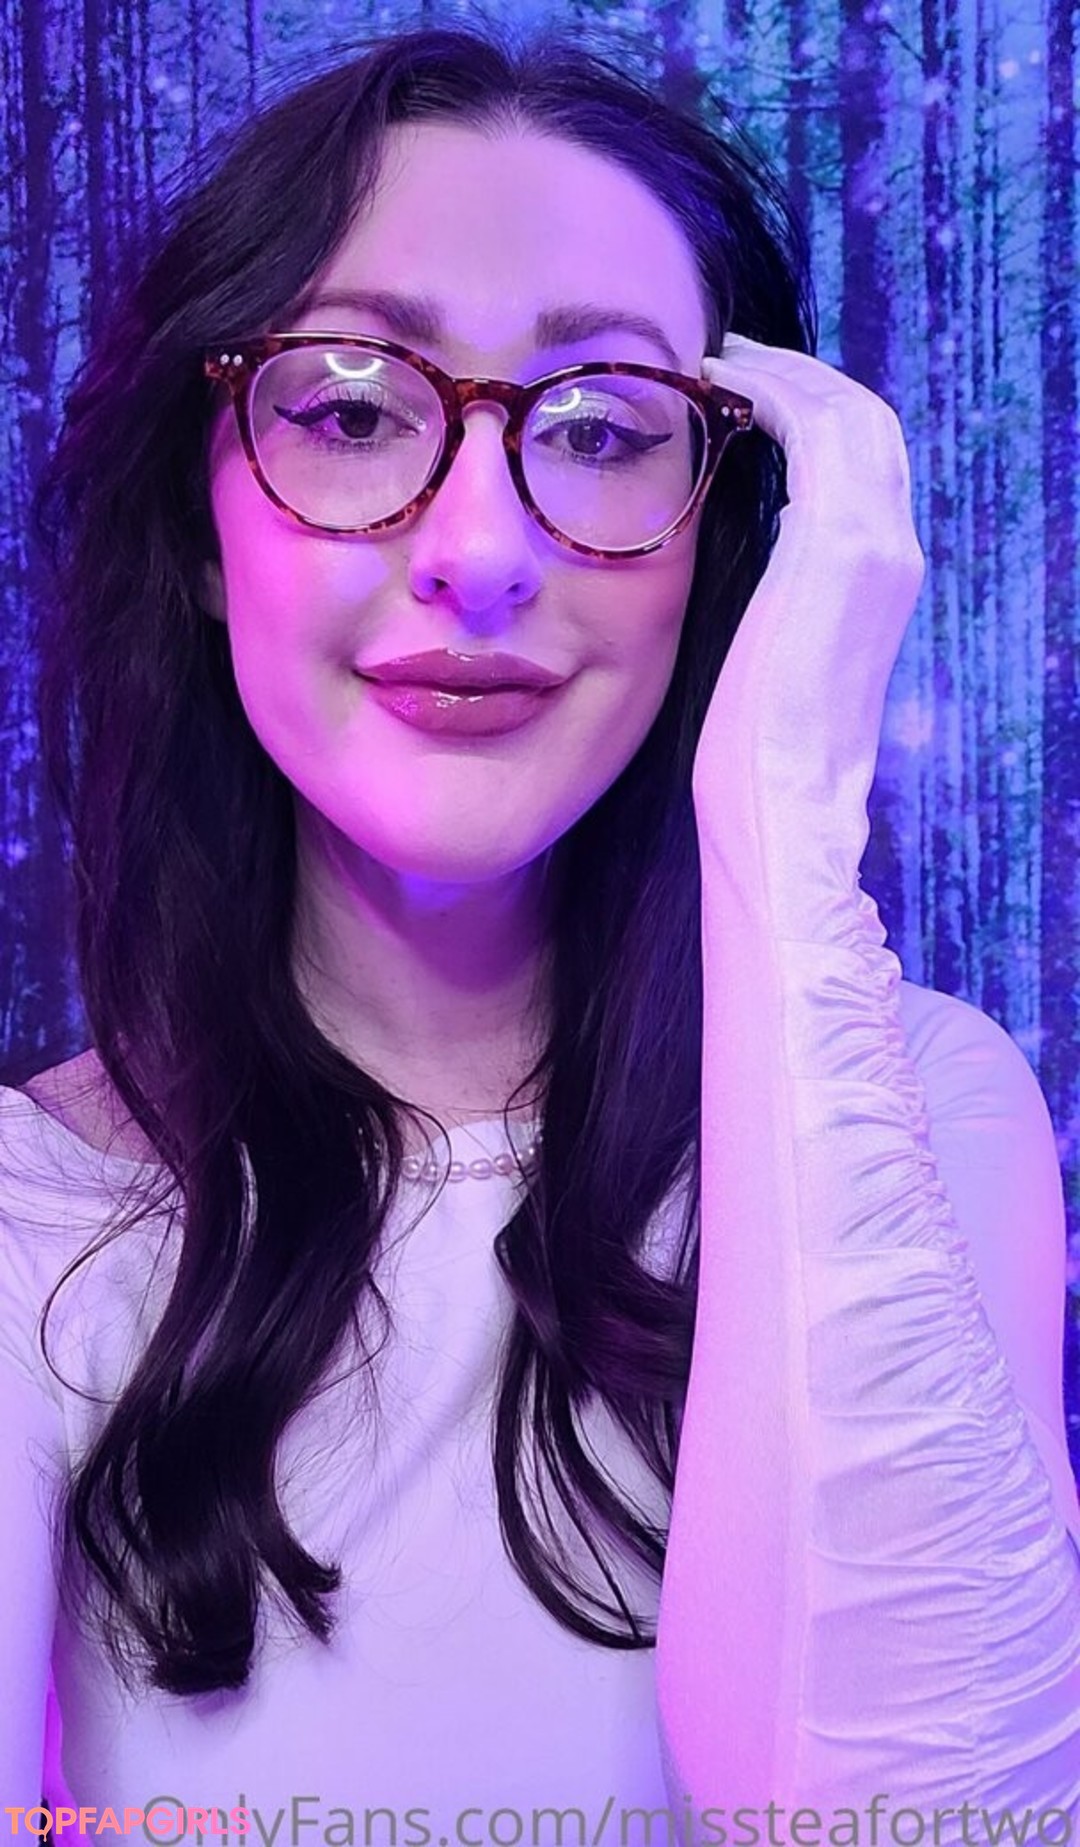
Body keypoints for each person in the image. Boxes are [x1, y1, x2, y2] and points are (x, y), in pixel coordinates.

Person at [2, 19, 1078, 1838]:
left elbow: (926, 1817)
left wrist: (784, 821)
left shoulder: (917, 1114)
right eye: (353, 409)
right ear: (199, 521)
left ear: (729, 536)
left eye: (599, 431)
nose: (481, 551)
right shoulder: (34, 1219)